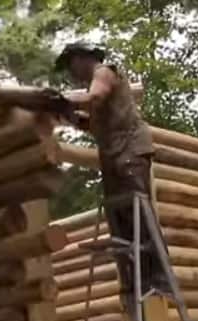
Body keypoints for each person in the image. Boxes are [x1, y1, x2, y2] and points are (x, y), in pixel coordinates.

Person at [55, 42, 169, 295]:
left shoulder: (104, 72)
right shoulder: (94, 88)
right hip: (113, 156)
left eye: (70, 65)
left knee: (139, 213)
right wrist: (73, 118)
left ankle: (159, 277)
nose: (70, 73)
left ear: (83, 57)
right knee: (121, 219)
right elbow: (96, 126)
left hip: (129, 150)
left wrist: (60, 99)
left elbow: (94, 97)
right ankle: (135, 279)